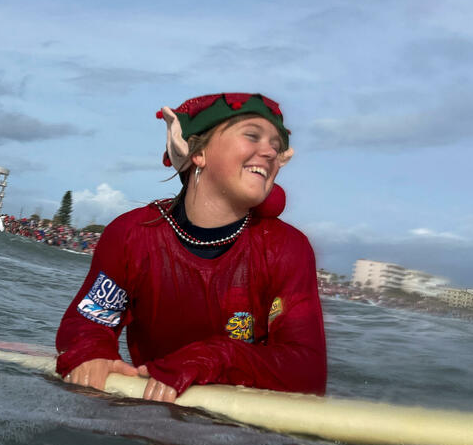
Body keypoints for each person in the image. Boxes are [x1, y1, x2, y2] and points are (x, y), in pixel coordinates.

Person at [56, 93, 327, 403]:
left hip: (240, 434)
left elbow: (308, 372)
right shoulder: (132, 235)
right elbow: (90, 321)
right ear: (199, 153)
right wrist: (91, 352)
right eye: (252, 136)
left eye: (276, 146)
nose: (270, 152)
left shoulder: (286, 249)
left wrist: (214, 357)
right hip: (148, 414)